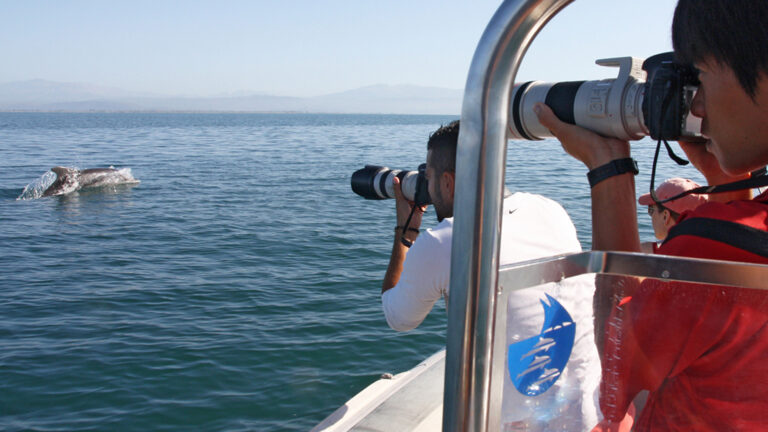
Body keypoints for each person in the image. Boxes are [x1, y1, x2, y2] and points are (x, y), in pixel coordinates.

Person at [532, 0, 768, 430]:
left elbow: (619, 353)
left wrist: (609, 169)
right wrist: (724, 184)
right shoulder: (738, 234)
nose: (696, 108)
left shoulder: (712, 248)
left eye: (701, 77)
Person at [380, 120, 604, 430]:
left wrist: (406, 232)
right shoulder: (550, 209)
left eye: (428, 178)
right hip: (586, 415)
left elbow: (399, 317)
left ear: (449, 182)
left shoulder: (445, 240)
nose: (427, 189)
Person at [637, 177, 708, 253]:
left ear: (665, 216)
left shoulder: (646, 252)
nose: (651, 216)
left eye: (651, 210)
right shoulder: (712, 252)